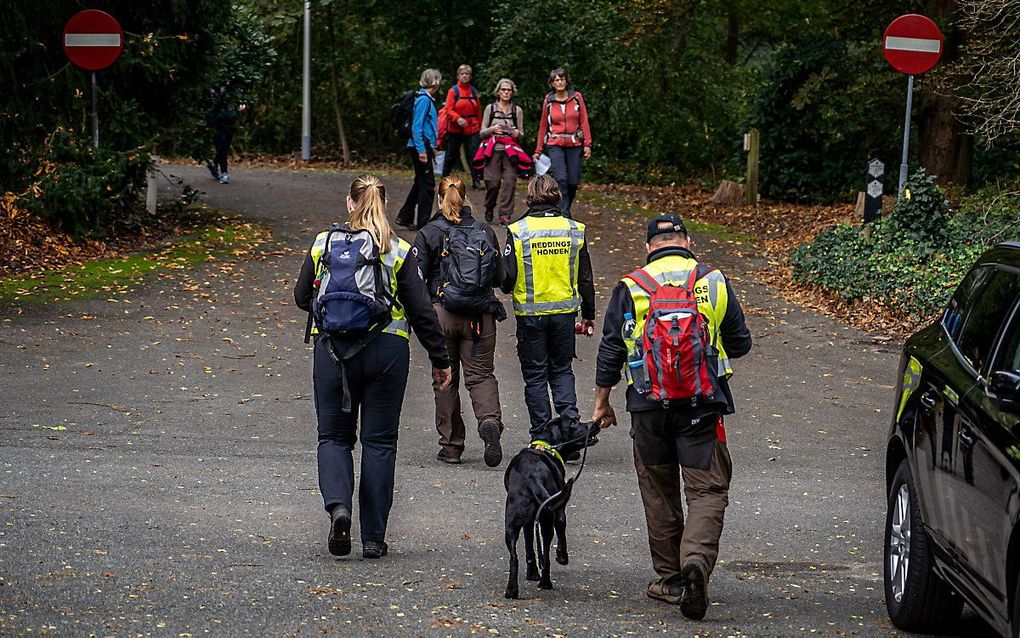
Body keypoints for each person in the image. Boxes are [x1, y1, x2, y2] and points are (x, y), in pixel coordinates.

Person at [591, 214, 751, 620]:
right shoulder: (712, 280)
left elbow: (610, 349)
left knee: (659, 492)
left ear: (649, 247)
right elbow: (741, 343)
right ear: (688, 240)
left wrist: (602, 402)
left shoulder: (631, 285)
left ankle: (671, 580)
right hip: (702, 405)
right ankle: (695, 561)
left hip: (647, 407)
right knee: (707, 491)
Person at [294, 174, 452, 560]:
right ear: (382, 204)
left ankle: (339, 508)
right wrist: (440, 358)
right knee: (380, 443)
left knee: (333, 437)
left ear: (350, 203)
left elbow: (302, 297)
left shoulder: (323, 243)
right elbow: (421, 311)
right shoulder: (397, 249)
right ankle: (374, 538)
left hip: (332, 352)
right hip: (387, 352)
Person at [412, 175, 507, 466]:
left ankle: (452, 445)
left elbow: (415, 280)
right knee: (480, 376)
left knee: (445, 377)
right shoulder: (484, 231)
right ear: (465, 198)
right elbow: (501, 278)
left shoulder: (429, 233)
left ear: (440, 199)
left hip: (441, 315)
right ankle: (489, 421)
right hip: (479, 318)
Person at [501, 174, 596, 439]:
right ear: (557, 196)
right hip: (565, 315)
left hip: (531, 317)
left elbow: (507, 279)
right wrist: (589, 314)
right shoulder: (573, 229)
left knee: (535, 377)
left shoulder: (519, 231)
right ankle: (571, 431)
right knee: (562, 370)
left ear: (530, 197)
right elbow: (585, 277)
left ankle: (542, 435)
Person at [533, 68, 592, 217]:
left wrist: (587, 144)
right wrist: (538, 150)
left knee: (573, 181)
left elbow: (584, 121)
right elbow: (543, 126)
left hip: (574, 143)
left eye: (562, 79)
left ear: (566, 81)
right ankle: (563, 211)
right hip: (555, 143)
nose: (559, 82)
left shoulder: (577, 97)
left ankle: (566, 206)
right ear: (552, 83)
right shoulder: (549, 101)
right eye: (556, 80)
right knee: (561, 179)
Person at [396, 69, 442, 231]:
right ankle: (424, 223)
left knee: (420, 182)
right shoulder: (423, 100)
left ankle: (405, 216)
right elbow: (417, 126)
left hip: (421, 145)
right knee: (428, 185)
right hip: (419, 146)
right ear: (435, 82)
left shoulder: (424, 98)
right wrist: (422, 150)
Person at [478, 78, 525, 224]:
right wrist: (493, 129)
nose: (506, 92)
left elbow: (522, 133)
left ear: (513, 92)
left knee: (510, 181)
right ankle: (489, 207)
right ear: (498, 92)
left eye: (509, 90)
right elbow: (481, 133)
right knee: (493, 182)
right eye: (503, 89)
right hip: (492, 151)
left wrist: (517, 133)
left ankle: (505, 214)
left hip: (510, 152)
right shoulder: (490, 109)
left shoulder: (517, 110)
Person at [441, 64, 483, 190]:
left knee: (474, 154)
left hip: (472, 128)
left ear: (470, 76)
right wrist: (457, 118)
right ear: (458, 75)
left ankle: (476, 181)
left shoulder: (474, 91)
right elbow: (448, 109)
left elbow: (478, 111)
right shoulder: (453, 91)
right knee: (451, 155)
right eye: (462, 74)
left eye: (467, 74)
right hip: (455, 128)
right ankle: (445, 178)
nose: (464, 76)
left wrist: (481, 128)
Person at [204, 85, 245, 184]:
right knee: (221, 144)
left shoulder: (231, 84)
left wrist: (241, 103)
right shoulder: (209, 85)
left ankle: (213, 164)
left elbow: (240, 96)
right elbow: (205, 103)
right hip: (215, 119)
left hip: (229, 119)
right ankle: (224, 172)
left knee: (225, 146)